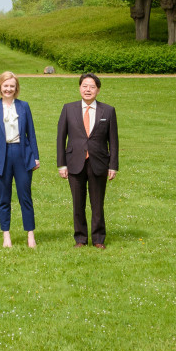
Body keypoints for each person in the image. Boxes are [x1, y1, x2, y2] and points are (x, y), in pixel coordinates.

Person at [57, 72, 119, 249]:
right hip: (74, 162)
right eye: (85, 86)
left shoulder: (108, 111)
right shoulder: (68, 109)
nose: (88, 90)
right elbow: (61, 138)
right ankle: (80, 238)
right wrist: (61, 164)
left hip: (99, 163)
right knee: (78, 203)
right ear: (79, 88)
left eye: (92, 87)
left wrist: (113, 166)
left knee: (97, 203)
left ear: (98, 90)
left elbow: (113, 141)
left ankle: (98, 238)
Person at [0, 71, 39, 248]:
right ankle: (6, 235)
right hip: (2, 156)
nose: (8, 89)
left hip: (22, 154)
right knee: (4, 197)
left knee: (25, 196)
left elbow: (31, 134)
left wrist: (35, 157)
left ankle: (30, 234)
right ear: (0, 87)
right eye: (5, 85)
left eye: (12, 86)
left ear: (16, 88)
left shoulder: (24, 106)